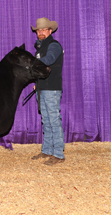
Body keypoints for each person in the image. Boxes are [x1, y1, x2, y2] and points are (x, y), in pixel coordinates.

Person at [30, 18, 65, 165]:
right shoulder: (40, 48)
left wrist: (30, 63)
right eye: (39, 30)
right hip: (42, 87)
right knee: (46, 120)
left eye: (44, 29)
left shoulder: (54, 45)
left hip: (52, 88)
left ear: (50, 31)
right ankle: (47, 150)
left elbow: (49, 59)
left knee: (53, 120)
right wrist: (37, 83)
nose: (41, 32)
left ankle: (58, 154)